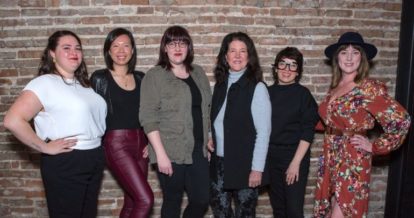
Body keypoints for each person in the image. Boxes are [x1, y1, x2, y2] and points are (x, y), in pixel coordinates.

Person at [3, 30, 107, 217]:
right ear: (52, 54)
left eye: (77, 48)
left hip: (93, 158)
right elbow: (12, 120)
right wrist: (44, 147)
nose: (73, 52)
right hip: (67, 161)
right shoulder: (44, 83)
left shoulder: (83, 85)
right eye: (66, 48)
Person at [313, 32, 411, 217]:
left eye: (355, 52)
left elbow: (401, 120)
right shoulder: (335, 86)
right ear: (337, 57)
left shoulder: (368, 88)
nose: (349, 57)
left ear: (362, 58)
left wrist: (375, 146)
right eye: (344, 52)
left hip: (352, 158)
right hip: (330, 156)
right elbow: (332, 120)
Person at [139, 25, 212, 218]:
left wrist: (209, 137)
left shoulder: (198, 73)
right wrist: (160, 154)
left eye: (182, 42)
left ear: (189, 47)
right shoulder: (155, 76)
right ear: (165, 48)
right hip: (169, 149)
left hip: (198, 148)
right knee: (173, 200)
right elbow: (148, 117)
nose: (177, 47)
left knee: (202, 199)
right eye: (172, 43)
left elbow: (206, 109)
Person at [90, 28, 154, 218]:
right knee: (146, 199)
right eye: (115, 46)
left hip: (141, 144)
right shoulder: (99, 78)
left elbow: (150, 113)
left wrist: (151, 142)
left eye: (126, 45)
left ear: (133, 50)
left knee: (132, 200)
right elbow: (90, 114)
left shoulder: (142, 78)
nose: (121, 50)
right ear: (108, 51)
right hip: (115, 143)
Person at [209, 32, 271, 217]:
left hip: (246, 166)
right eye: (232, 51)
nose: (237, 55)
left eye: (242, 51)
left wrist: (257, 169)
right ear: (225, 57)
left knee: (245, 214)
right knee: (220, 213)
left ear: (249, 56)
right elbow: (216, 119)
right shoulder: (219, 86)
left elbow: (263, 133)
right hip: (219, 164)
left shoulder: (257, 88)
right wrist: (210, 136)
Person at [267, 47, 319, 218]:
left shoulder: (303, 95)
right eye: (282, 64)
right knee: (279, 209)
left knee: (294, 210)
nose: (286, 70)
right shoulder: (266, 93)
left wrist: (295, 163)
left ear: (298, 72)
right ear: (276, 68)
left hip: (294, 155)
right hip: (271, 156)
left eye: (292, 66)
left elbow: (307, 131)